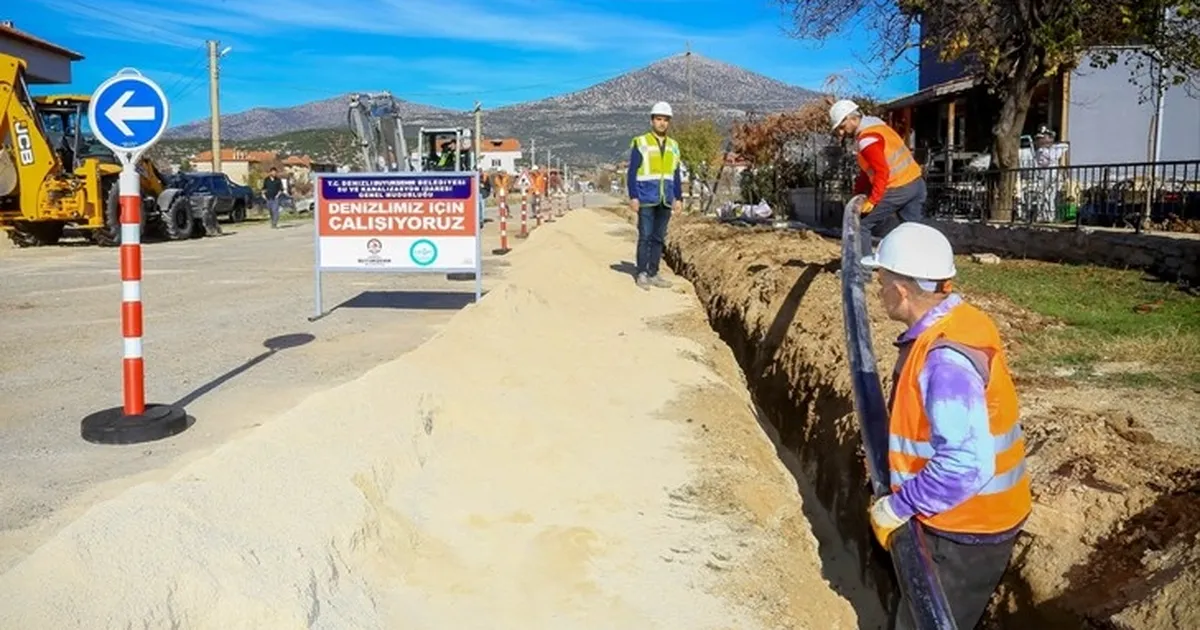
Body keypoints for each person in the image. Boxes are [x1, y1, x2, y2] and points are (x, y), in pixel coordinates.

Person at [860, 222, 1032, 630]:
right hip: (959, 516)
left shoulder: (945, 361)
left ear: (901, 291)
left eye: (880, 281)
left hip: (964, 530)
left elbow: (965, 464)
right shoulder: (958, 320)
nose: (877, 291)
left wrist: (897, 507)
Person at [830, 99, 926, 257]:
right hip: (916, 183)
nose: (841, 133)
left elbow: (882, 171)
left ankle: (863, 272)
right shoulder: (878, 126)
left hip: (898, 187)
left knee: (862, 225)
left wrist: (873, 201)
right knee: (913, 230)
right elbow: (867, 172)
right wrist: (858, 195)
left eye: (842, 127)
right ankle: (918, 273)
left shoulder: (867, 140)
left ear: (852, 119)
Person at [626, 101, 683, 290]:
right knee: (645, 236)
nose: (662, 123)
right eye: (659, 119)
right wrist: (633, 196)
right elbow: (632, 171)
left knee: (659, 237)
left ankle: (654, 272)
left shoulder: (674, 146)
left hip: (665, 198)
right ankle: (642, 272)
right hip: (646, 197)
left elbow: (675, 174)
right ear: (652, 121)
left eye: (665, 120)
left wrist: (679, 198)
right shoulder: (641, 142)